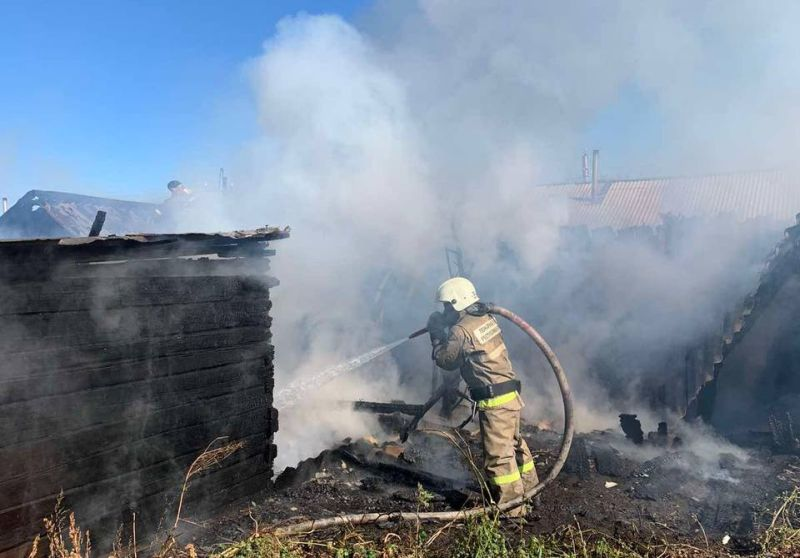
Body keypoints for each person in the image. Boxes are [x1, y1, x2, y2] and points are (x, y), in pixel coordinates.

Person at [427, 277, 537, 515]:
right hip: (510, 395)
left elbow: (447, 360)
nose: (445, 310)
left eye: (447, 306)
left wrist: (436, 335)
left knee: (498, 458)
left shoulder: (460, 330)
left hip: (495, 402)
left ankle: (513, 511)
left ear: (457, 303)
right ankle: (531, 491)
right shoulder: (486, 317)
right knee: (516, 446)